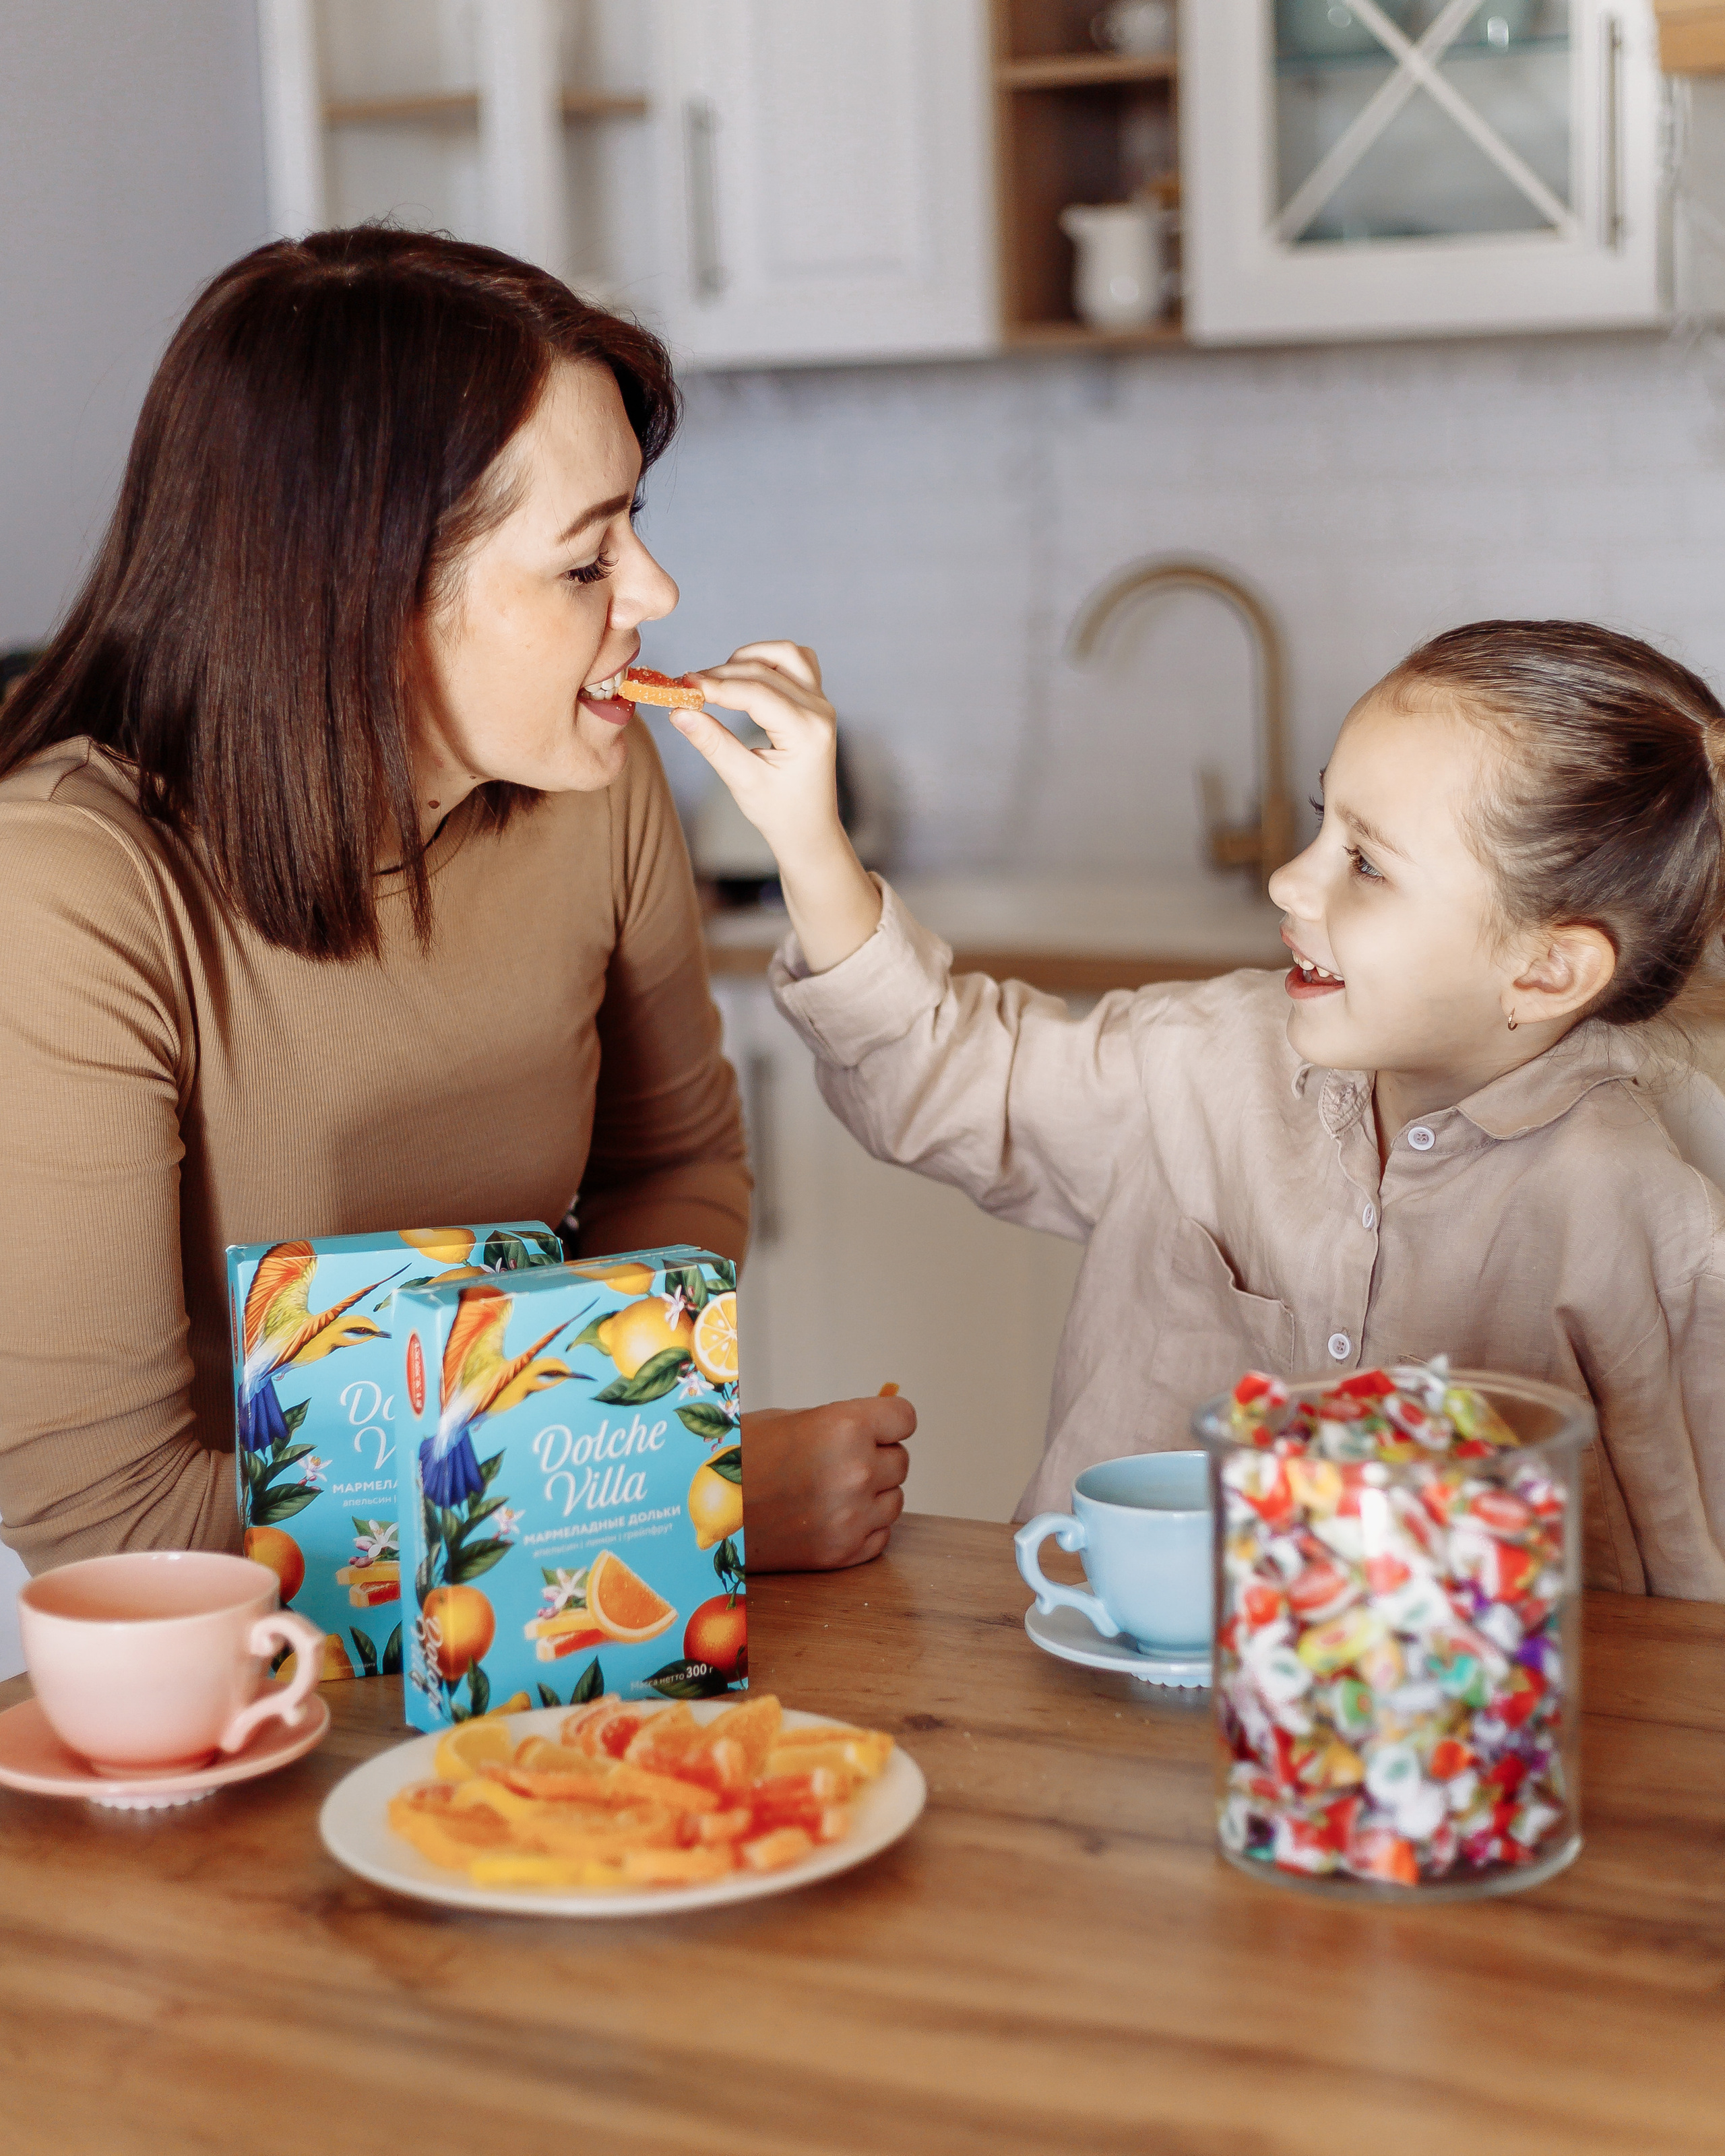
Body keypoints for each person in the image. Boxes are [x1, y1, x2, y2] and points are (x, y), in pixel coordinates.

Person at [0, 227, 912, 1578]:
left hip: (531, 1644)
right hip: (210, 1693)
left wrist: (608, 1456)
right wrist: (676, 1493)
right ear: (365, 596)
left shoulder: (596, 780)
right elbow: (114, 1528)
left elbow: (674, 1167)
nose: (653, 595)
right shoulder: (63, 892)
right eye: (584, 561)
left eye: (633, 532)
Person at [670, 622, 1725, 1599]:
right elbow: (945, 1072)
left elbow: (1686, 1582)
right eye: (1324, 824)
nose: (1288, 882)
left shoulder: (1640, 1212)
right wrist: (808, 842)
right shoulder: (1203, 1058)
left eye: (1365, 863)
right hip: (1105, 1723)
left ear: (1545, 971)